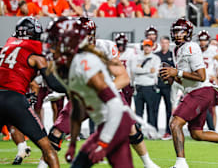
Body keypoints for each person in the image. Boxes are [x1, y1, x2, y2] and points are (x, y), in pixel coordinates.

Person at [40, 19, 160, 168]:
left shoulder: (105, 47)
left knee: (130, 128)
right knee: (58, 129)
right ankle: (43, 165)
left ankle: (148, 163)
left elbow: (124, 78)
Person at [159, 18, 218, 168]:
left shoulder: (191, 47)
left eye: (182, 31)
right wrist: (172, 77)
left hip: (200, 91)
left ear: (188, 33)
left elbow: (201, 76)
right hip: (194, 91)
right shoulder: (178, 49)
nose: (178, 34)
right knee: (197, 133)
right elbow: (184, 81)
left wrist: (176, 72)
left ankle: (181, 164)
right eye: (176, 31)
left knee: (175, 123)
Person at [0, 17, 68, 168]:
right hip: (14, 99)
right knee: (47, 148)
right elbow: (53, 84)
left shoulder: (8, 44)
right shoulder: (37, 52)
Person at [134, 39, 161, 132]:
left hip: (150, 87)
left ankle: (152, 132)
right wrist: (148, 70)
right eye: (145, 46)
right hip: (139, 87)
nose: (147, 48)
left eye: (149, 46)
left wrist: (141, 70)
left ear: (152, 47)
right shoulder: (137, 57)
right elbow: (135, 71)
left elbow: (154, 73)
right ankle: (138, 131)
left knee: (151, 111)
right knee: (138, 112)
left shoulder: (156, 58)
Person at [154, 36, 175, 140]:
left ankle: (168, 131)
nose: (164, 44)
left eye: (166, 43)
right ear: (160, 43)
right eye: (162, 42)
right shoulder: (156, 55)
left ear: (169, 43)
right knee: (154, 109)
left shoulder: (172, 55)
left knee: (169, 109)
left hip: (168, 86)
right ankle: (154, 131)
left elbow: (175, 70)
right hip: (157, 85)